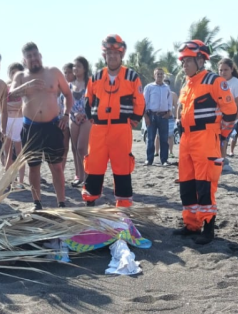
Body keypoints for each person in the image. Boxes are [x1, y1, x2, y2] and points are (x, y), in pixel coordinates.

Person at [172, 40, 237, 245]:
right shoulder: (186, 85)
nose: (184, 65)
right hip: (186, 139)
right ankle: (191, 225)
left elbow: (231, 113)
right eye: (183, 61)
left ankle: (208, 228)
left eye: (188, 61)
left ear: (201, 60)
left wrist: (220, 136)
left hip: (206, 138)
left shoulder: (214, 81)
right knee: (187, 183)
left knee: (205, 184)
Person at [81, 35, 145, 207]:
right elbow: (88, 100)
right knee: (94, 165)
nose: (112, 56)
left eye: (116, 53)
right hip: (99, 129)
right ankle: (90, 203)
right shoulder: (96, 77)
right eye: (109, 53)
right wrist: (93, 118)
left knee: (122, 167)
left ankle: (123, 207)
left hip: (121, 129)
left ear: (121, 54)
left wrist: (134, 120)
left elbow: (139, 101)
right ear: (105, 55)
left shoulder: (131, 76)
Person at [9, 43, 71, 210]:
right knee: (34, 166)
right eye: (29, 56)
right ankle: (37, 203)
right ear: (24, 60)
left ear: (40, 55)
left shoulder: (53, 72)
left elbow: (68, 94)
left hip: (53, 125)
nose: (33, 58)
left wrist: (66, 115)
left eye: (35, 55)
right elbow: (11, 94)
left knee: (56, 166)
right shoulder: (20, 76)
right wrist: (27, 86)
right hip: (31, 127)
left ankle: (62, 203)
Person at [217, 60, 238, 171]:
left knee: (223, 141)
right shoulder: (217, 82)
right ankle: (221, 161)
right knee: (216, 141)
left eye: (226, 69)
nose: (223, 72)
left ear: (232, 69)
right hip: (216, 118)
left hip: (229, 119)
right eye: (220, 70)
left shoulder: (237, 84)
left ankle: (222, 164)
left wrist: (232, 120)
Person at [67, 57, 92, 187]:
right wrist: (73, 113)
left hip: (87, 118)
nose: (75, 69)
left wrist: (85, 114)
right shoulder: (69, 85)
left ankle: (88, 176)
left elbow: (95, 101)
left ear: (85, 68)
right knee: (75, 148)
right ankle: (80, 176)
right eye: (74, 66)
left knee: (82, 148)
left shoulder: (90, 83)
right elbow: (66, 102)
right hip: (73, 117)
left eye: (79, 66)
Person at [142, 68, 173, 166]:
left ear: (163, 76)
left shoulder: (166, 88)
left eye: (161, 74)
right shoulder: (149, 87)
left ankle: (164, 160)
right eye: (158, 74)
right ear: (154, 75)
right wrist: (145, 116)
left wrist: (169, 112)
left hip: (163, 116)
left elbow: (169, 101)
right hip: (152, 116)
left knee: (164, 139)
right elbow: (144, 102)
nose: (159, 75)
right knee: (150, 138)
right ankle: (149, 159)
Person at [4, 62, 27, 189]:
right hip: (7, 121)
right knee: (7, 153)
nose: (14, 75)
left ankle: (21, 182)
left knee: (19, 152)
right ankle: (8, 181)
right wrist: (14, 106)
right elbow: (1, 105)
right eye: (12, 73)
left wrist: (10, 106)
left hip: (20, 121)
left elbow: (23, 106)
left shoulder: (24, 89)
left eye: (17, 73)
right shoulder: (5, 88)